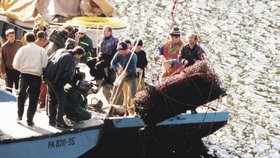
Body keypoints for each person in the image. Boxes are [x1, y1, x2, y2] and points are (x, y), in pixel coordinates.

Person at [43, 46, 85, 128]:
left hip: (48, 77)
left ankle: (51, 120)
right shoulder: (71, 59)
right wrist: (69, 83)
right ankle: (60, 121)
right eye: (80, 56)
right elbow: (67, 73)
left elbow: (48, 60)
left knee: (52, 99)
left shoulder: (60, 51)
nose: (79, 58)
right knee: (61, 100)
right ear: (77, 54)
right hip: (57, 80)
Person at [12, 32, 48, 126]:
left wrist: (22, 69)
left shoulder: (22, 49)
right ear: (35, 38)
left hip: (24, 75)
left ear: (26, 39)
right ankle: (30, 120)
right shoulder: (41, 50)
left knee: (21, 95)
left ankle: (19, 116)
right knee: (34, 98)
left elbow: (15, 64)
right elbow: (45, 64)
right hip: (36, 77)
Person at [110, 41, 137, 116]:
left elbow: (131, 69)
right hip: (120, 75)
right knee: (115, 93)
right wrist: (117, 68)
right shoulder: (118, 54)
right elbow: (113, 62)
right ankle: (110, 111)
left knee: (133, 95)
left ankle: (135, 112)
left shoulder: (133, 56)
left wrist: (123, 73)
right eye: (118, 50)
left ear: (125, 50)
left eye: (120, 50)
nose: (119, 52)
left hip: (131, 75)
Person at [35, 31, 49, 109]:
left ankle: (37, 102)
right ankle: (41, 103)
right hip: (41, 69)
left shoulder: (33, 44)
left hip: (33, 70)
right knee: (43, 86)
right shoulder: (45, 45)